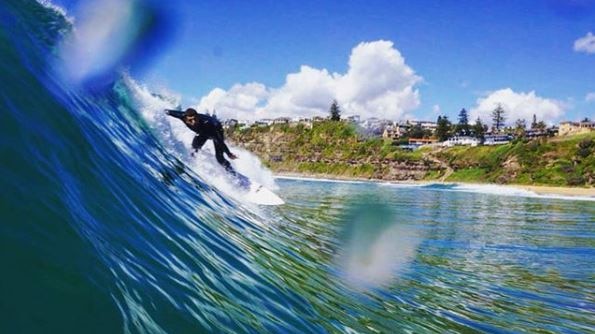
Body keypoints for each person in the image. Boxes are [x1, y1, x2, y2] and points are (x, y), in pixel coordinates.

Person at [165, 108, 238, 174]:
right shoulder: (182, 115)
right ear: (185, 118)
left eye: (195, 119)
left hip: (215, 129)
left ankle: (233, 173)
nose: (193, 122)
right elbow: (168, 111)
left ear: (197, 117)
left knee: (219, 157)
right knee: (194, 149)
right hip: (202, 132)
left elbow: (219, 141)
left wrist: (229, 153)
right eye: (190, 120)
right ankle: (192, 165)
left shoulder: (207, 124)